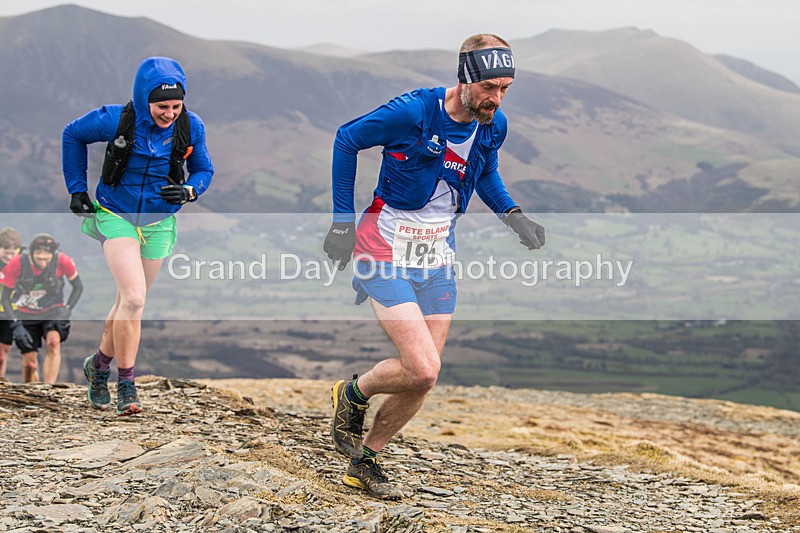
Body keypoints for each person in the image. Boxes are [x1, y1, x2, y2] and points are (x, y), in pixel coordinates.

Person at [323, 34, 546, 499]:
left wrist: (513, 215)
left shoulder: (492, 124)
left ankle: (365, 461)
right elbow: (347, 140)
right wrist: (342, 222)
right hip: (383, 248)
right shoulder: (413, 112)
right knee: (422, 368)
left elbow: (484, 173)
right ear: (465, 77)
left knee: (427, 374)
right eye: (489, 86)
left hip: (437, 256)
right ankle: (356, 392)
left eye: (505, 88)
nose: (496, 98)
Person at [62, 56, 214, 415]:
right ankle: (126, 385)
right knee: (133, 299)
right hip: (117, 215)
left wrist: (190, 190)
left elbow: (204, 168)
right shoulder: (117, 119)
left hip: (159, 222)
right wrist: (76, 189)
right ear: (145, 99)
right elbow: (73, 133)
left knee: (125, 302)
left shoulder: (191, 126)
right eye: (162, 106)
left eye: (176, 105)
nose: (170, 113)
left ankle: (98, 367)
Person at [0, 233, 83, 384]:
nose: (43, 263)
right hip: (25, 313)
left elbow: (78, 287)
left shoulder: (62, 261)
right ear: (31, 254)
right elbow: (5, 297)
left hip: (53, 310)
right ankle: (31, 389)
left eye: (46, 258)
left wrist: (67, 309)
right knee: (30, 364)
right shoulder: (17, 263)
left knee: (53, 342)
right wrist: (15, 323)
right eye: (39, 259)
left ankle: (48, 387)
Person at [0, 227, 23, 381]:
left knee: (2, 353)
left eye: (12, 253)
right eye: (5, 252)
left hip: (10, 311)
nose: (9, 256)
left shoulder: (24, 263)